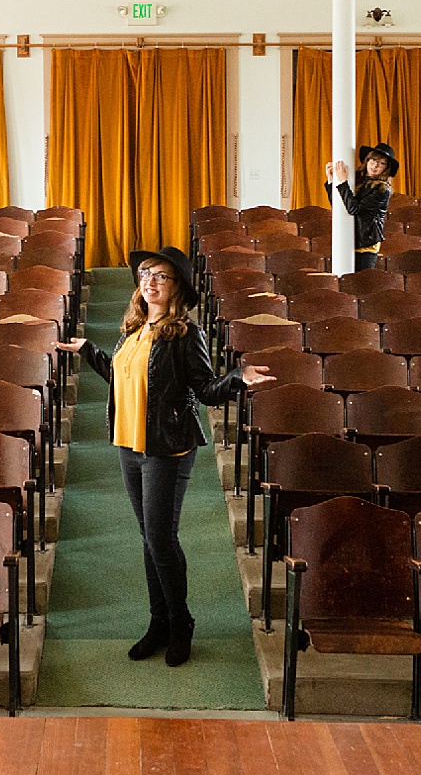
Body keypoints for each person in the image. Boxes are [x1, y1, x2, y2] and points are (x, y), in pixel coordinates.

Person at [56, 247, 273, 667]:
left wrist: (237, 379)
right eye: (144, 274)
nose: (149, 281)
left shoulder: (185, 334)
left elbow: (206, 389)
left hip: (167, 448)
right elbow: (122, 378)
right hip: (129, 445)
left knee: (160, 538)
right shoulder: (134, 329)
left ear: (178, 287)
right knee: (148, 538)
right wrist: (89, 351)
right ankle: (159, 623)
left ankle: (180, 622)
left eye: (160, 275)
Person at [325, 142, 397, 270]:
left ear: (386, 169)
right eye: (373, 160)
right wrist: (332, 181)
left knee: (360, 284)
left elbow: (354, 209)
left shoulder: (382, 189)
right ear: (367, 160)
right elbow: (340, 206)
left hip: (366, 244)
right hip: (349, 239)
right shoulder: (357, 180)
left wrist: (342, 182)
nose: (375, 165)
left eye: (382, 163)